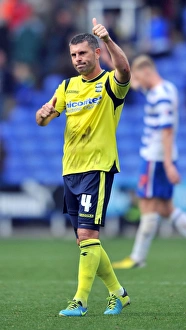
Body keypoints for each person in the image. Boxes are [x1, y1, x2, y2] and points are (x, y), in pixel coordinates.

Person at [36, 18, 131, 316]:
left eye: (83, 54)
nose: (77, 59)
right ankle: (119, 294)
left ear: (97, 53)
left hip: (97, 168)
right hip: (71, 170)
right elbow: (43, 119)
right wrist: (43, 113)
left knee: (88, 236)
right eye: (73, 55)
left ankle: (81, 300)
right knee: (84, 239)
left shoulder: (109, 84)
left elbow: (125, 71)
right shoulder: (66, 87)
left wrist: (110, 39)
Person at [112, 55, 186, 269]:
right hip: (162, 157)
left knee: (146, 204)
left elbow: (167, 130)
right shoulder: (166, 89)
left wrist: (169, 165)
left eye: (139, 77)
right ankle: (137, 257)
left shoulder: (160, 96)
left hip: (156, 157)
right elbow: (135, 83)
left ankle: (137, 257)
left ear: (146, 71)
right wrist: (113, 58)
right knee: (165, 208)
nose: (138, 84)